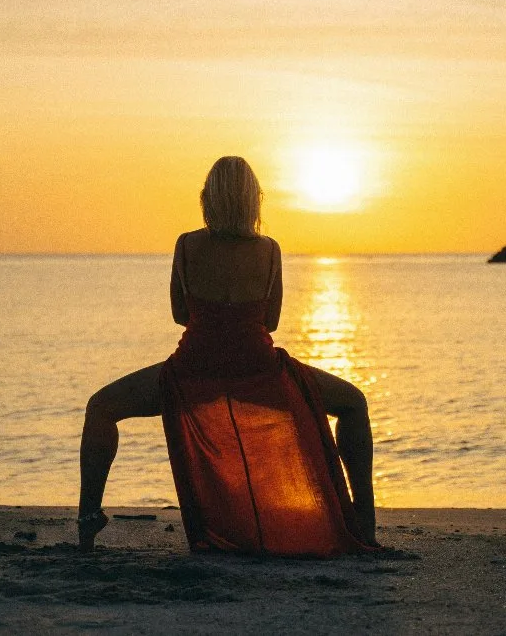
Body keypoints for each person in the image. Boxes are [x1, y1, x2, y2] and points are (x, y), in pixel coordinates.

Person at [77, 156, 378, 556]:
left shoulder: (187, 244)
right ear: (255, 200)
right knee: (353, 403)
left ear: (208, 198)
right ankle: (365, 522)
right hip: (259, 374)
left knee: (101, 407)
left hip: (194, 374)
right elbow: (269, 322)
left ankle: (87, 519)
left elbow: (180, 314)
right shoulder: (269, 250)